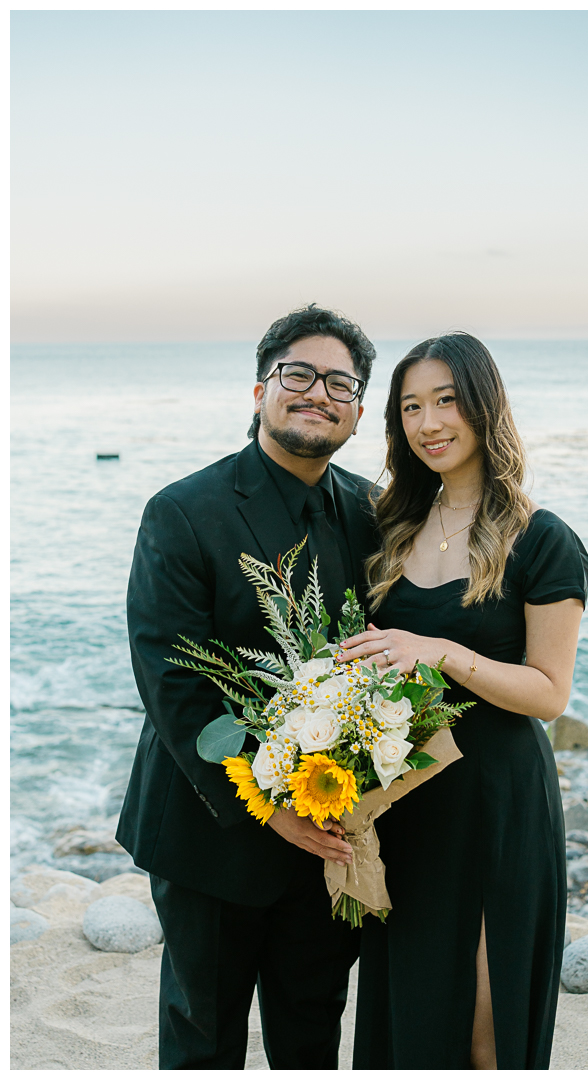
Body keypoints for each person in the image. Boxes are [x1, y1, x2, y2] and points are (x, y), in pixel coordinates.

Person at [116, 304, 378, 1069]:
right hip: (213, 830)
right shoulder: (183, 511)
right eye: (298, 374)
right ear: (260, 390)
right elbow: (171, 682)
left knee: (312, 1028)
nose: (318, 393)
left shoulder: (372, 511)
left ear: (358, 412)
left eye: (341, 383)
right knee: (204, 1034)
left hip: (332, 828)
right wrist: (267, 810)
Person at [337, 333, 588, 1070]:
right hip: (408, 801)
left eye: (446, 400)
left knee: (483, 1017)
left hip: (495, 804)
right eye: (411, 406)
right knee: (409, 1008)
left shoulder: (543, 540)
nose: (428, 423)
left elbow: (549, 693)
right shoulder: (390, 529)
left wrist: (440, 651)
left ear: (485, 405)